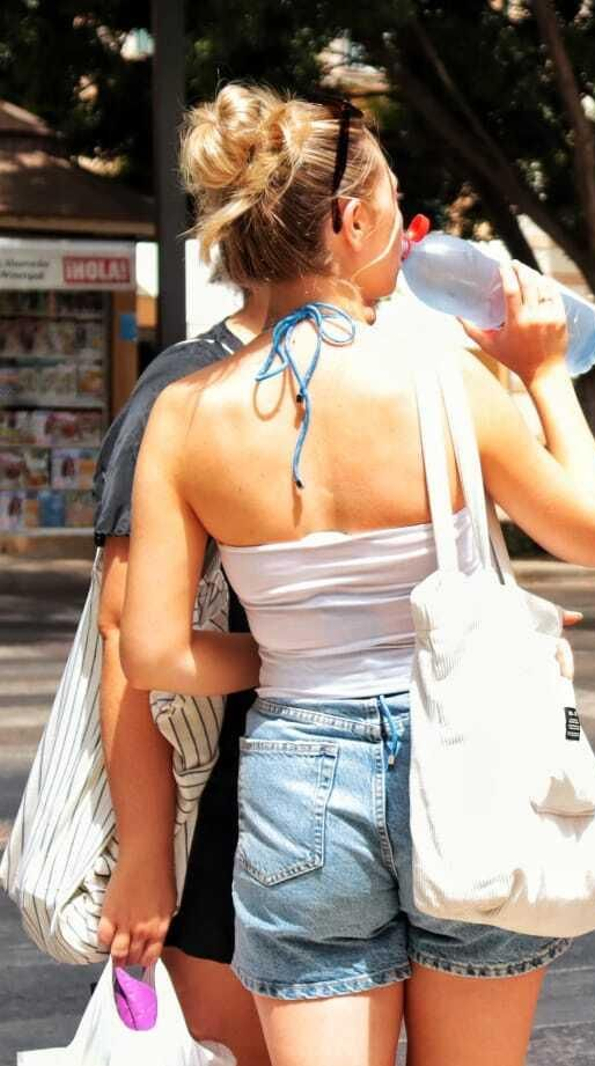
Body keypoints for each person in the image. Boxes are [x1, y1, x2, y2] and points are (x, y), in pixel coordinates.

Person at [119, 84, 595, 1066]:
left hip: (296, 769)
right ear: (350, 222)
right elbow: (593, 532)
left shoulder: (183, 414)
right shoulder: (445, 377)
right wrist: (547, 368)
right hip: (468, 751)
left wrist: (293, 653)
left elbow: (154, 653)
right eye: (393, 202)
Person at [92, 284, 271, 1066]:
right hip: (211, 803)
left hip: (298, 789)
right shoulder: (189, 384)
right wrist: (144, 852)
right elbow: (124, 628)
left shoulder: (356, 378)